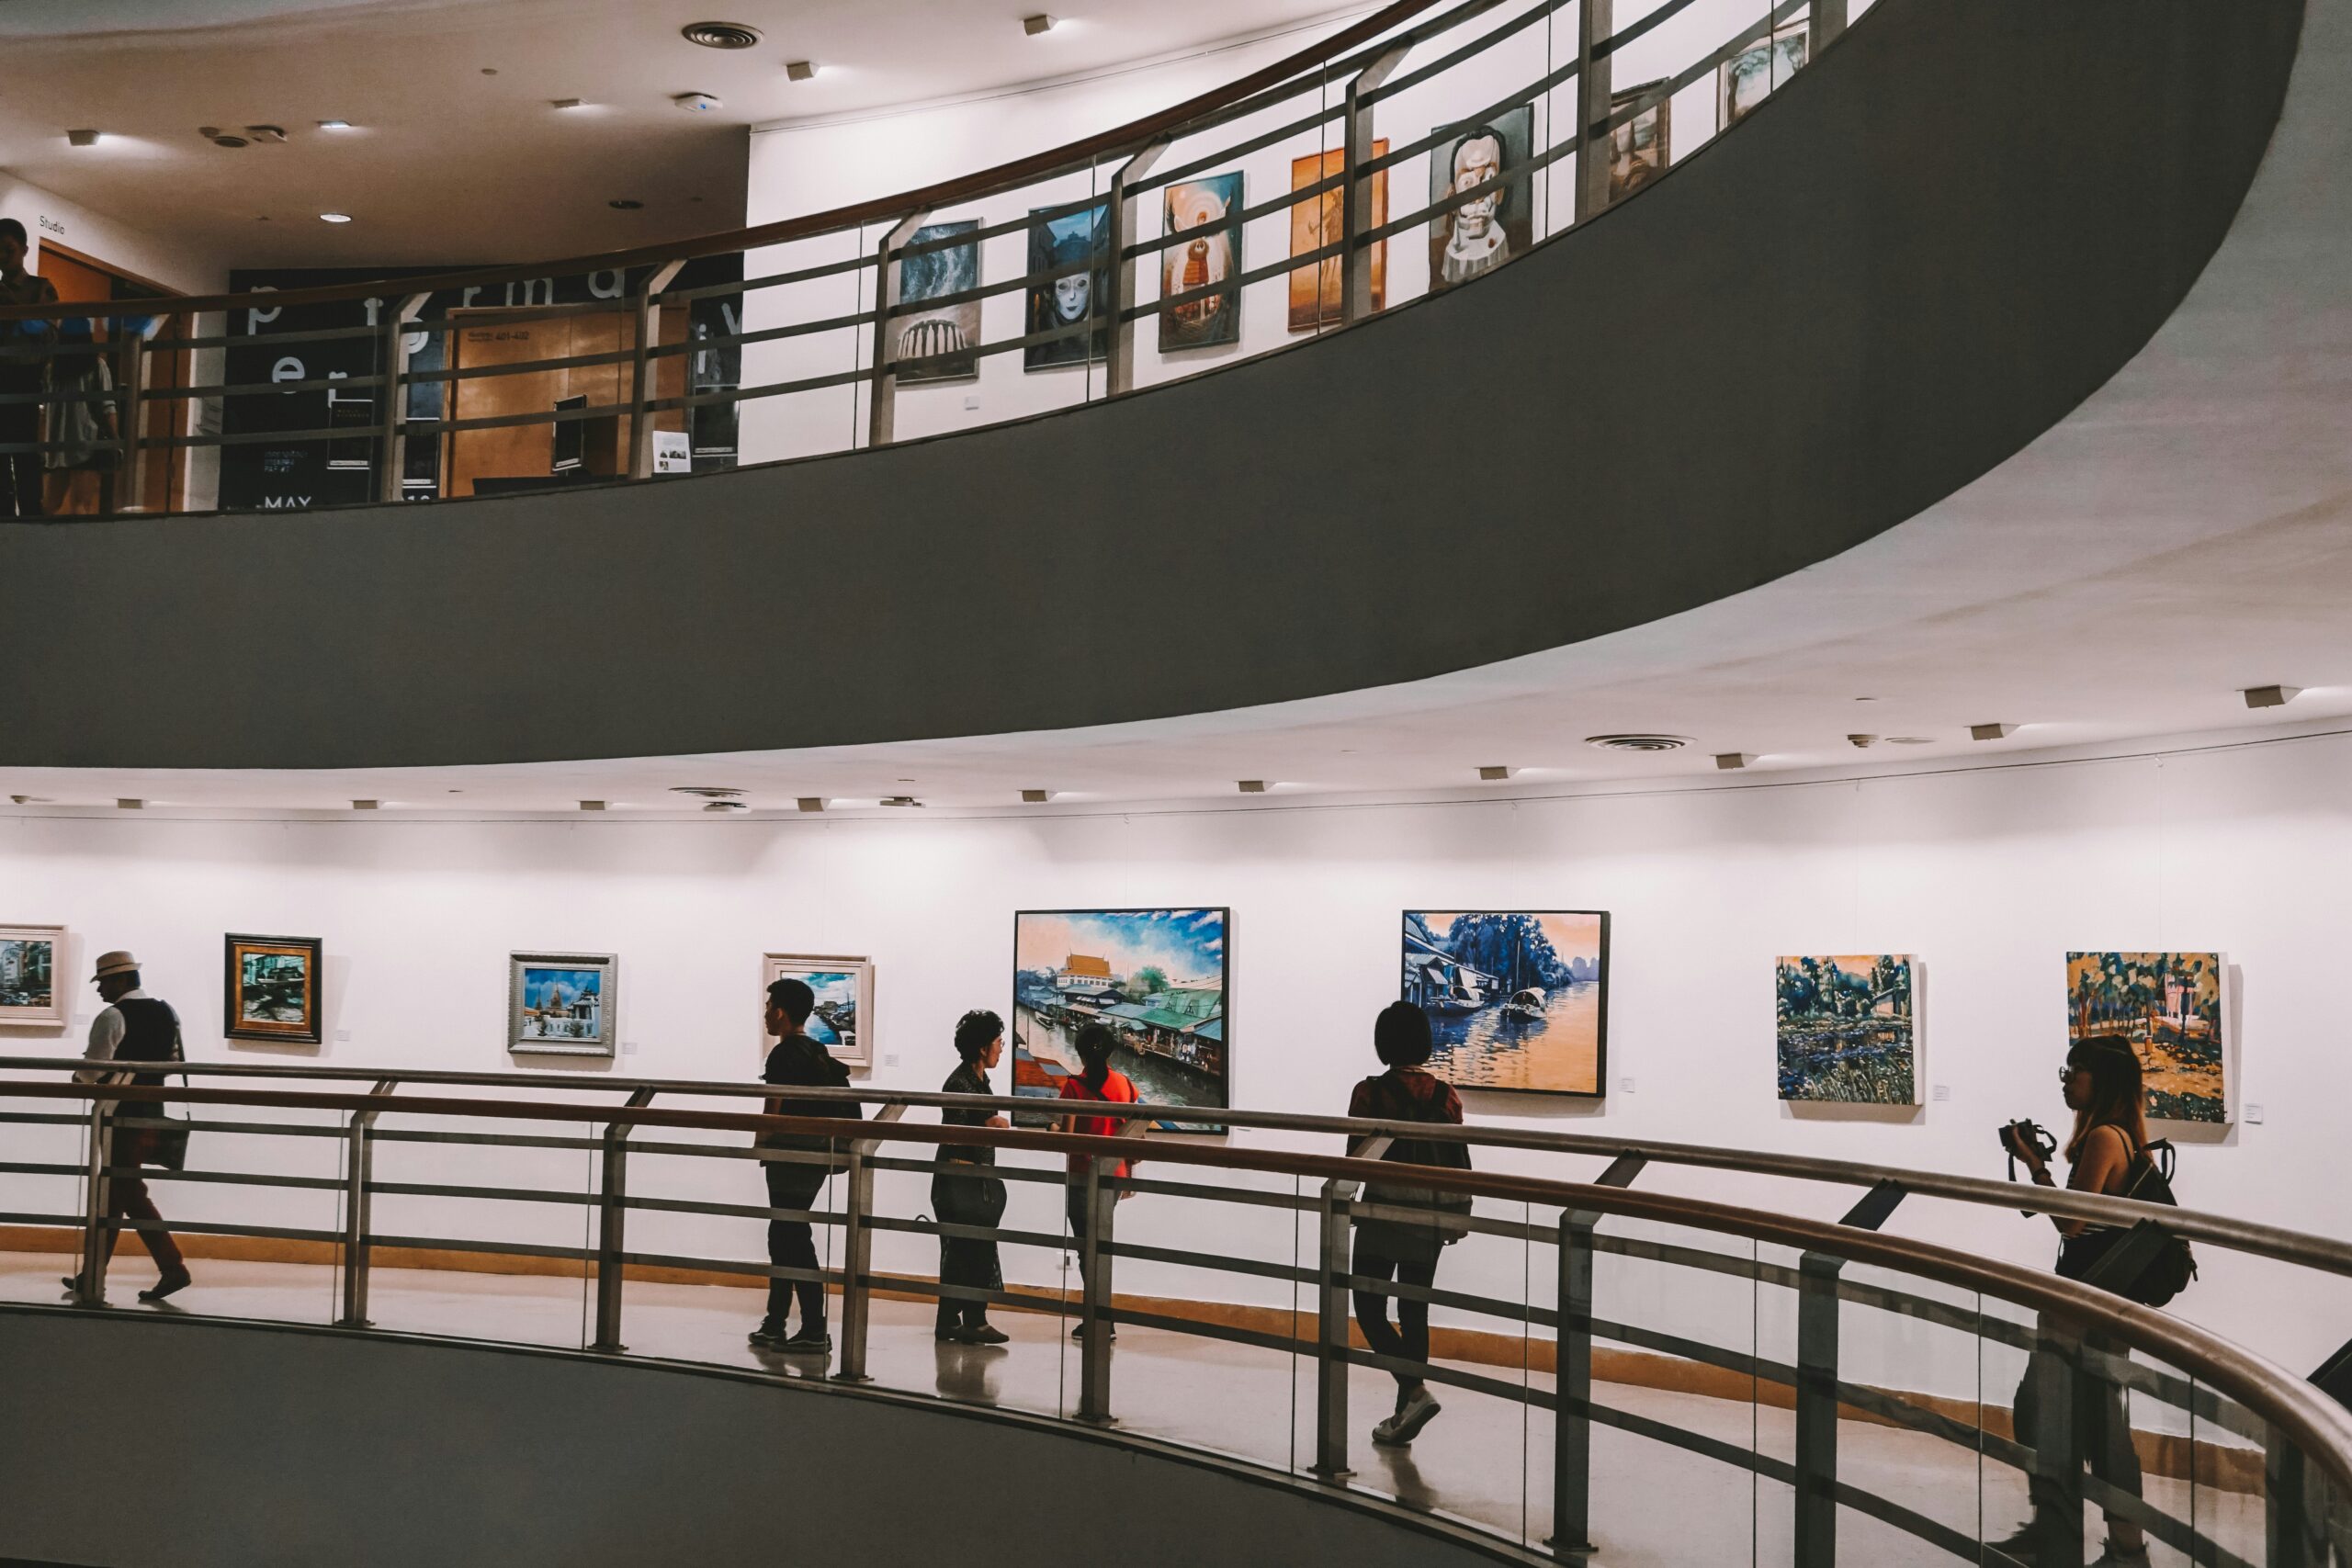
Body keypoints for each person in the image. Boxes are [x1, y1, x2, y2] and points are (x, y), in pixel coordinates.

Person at [1992, 1040, 2154, 1568]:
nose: (2067, 1080)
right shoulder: (2117, 1134)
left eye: (2076, 1071)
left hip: (2088, 1303)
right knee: (2077, 1417)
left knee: (2066, 1416)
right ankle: (2091, 1537)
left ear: (2100, 1081)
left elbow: (2071, 1221)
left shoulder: (2106, 1137)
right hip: (2096, 1299)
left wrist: (2035, 1165)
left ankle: (2106, 1543)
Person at [1348, 999, 1469, 1448]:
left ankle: (1413, 1393)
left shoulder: (1369, 1092)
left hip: (1383, 1213)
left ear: (1383, 1043)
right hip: (1430, 1217)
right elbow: (1458, 1161)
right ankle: (1405, 1413)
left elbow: (1354, 1158)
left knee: (1368, 1306)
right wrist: (1457, 1215)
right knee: (1414, 1312)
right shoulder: (1446, 1095)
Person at [62, 950, 191, 1302]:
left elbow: (93, 1069)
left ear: (119, 980)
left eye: (103, 982)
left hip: (118, 1114)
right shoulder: (168, 1012)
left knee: (126, 1191)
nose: (100, 989)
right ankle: (94, 1272)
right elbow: (175, 1063)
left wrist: (79, 1079)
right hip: (152, 1109)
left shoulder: (113, 1015)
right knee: (119, 1191)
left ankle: (172, 1266)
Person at [750, 977, 860, 1355]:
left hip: (789, 1156)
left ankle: (813, 1327)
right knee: (784, 1234)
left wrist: (760, 1144)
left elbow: (774, 1107)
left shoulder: (782, 1055)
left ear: (780, 1012)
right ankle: (774, 1322)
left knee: (790, 1237)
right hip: (814, 1157)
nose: (765, 1014)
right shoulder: (817, 1051)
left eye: (768, 1007)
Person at [1057, 1021, 1140, 1337]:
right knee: (1100, 1246)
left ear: (1080, 1053)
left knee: (1085, 1248)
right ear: (1109, 1052)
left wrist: (1053, 1130)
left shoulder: (1074, 1087)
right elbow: (1132, 1136)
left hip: (1082, 1175)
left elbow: (1067, 1139)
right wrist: (1129, 1175)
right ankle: (1102, 1317)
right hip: (1114, 1177)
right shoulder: (1126, 1085)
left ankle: (1098, 1319)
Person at [935, 1008, 1011, 1345]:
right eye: (998, 1042)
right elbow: (952, 1133)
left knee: (965, 1251)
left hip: (973, 1179)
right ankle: (972, 1321)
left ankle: (951, 1320)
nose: (1002, 1048)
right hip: (960, 1180)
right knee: (969, 1250)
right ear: (983, 1048)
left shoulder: (978, 1081)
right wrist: (986, 1126)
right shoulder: (959, 1082)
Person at [0, 218, 60, 520]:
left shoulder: (41, 288)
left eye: (8, 249)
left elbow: (49, 337)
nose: (2, 257)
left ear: (23, 250)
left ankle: (31, 518)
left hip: (25, 379)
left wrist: (18, 314)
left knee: (25, 456)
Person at [1436, 128, 1511, 288]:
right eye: (1468, 182)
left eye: (1488, 180)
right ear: (1452, 194)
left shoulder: (1502, 241)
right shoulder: (1447, 254)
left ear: (1500, 192)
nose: (1478, 197)